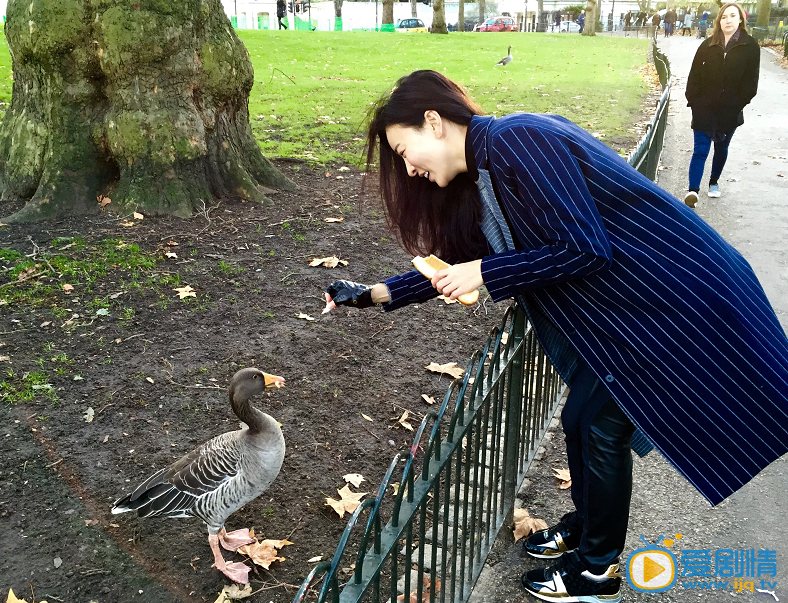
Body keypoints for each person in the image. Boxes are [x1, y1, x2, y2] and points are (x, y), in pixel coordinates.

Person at [323, 69, 788, 603]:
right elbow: (453, 264)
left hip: (681, 294)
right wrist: (375, 293)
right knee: (583, 419)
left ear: (434, 122)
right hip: (640, 308)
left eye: (405, 151)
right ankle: (589, 529)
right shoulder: (488, 173)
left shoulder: (518, 138)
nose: (409, 168)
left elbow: (584, 247)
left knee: (599, 427)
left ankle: (596, 570)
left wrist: (487, 274)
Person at [683, 2, 760, 207]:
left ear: (740, 19)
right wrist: (694, 101)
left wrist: (737, 104)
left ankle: (714, 182)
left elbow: (751, 83)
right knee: (700, 149)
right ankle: (693, 191)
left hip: (730, 111)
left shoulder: (750, 46)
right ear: (719, 21)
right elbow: (694, 77)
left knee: (721, 148)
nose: (728, 20)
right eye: (724, 17)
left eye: (733, 16)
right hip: (703, 108)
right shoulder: (707, 45)